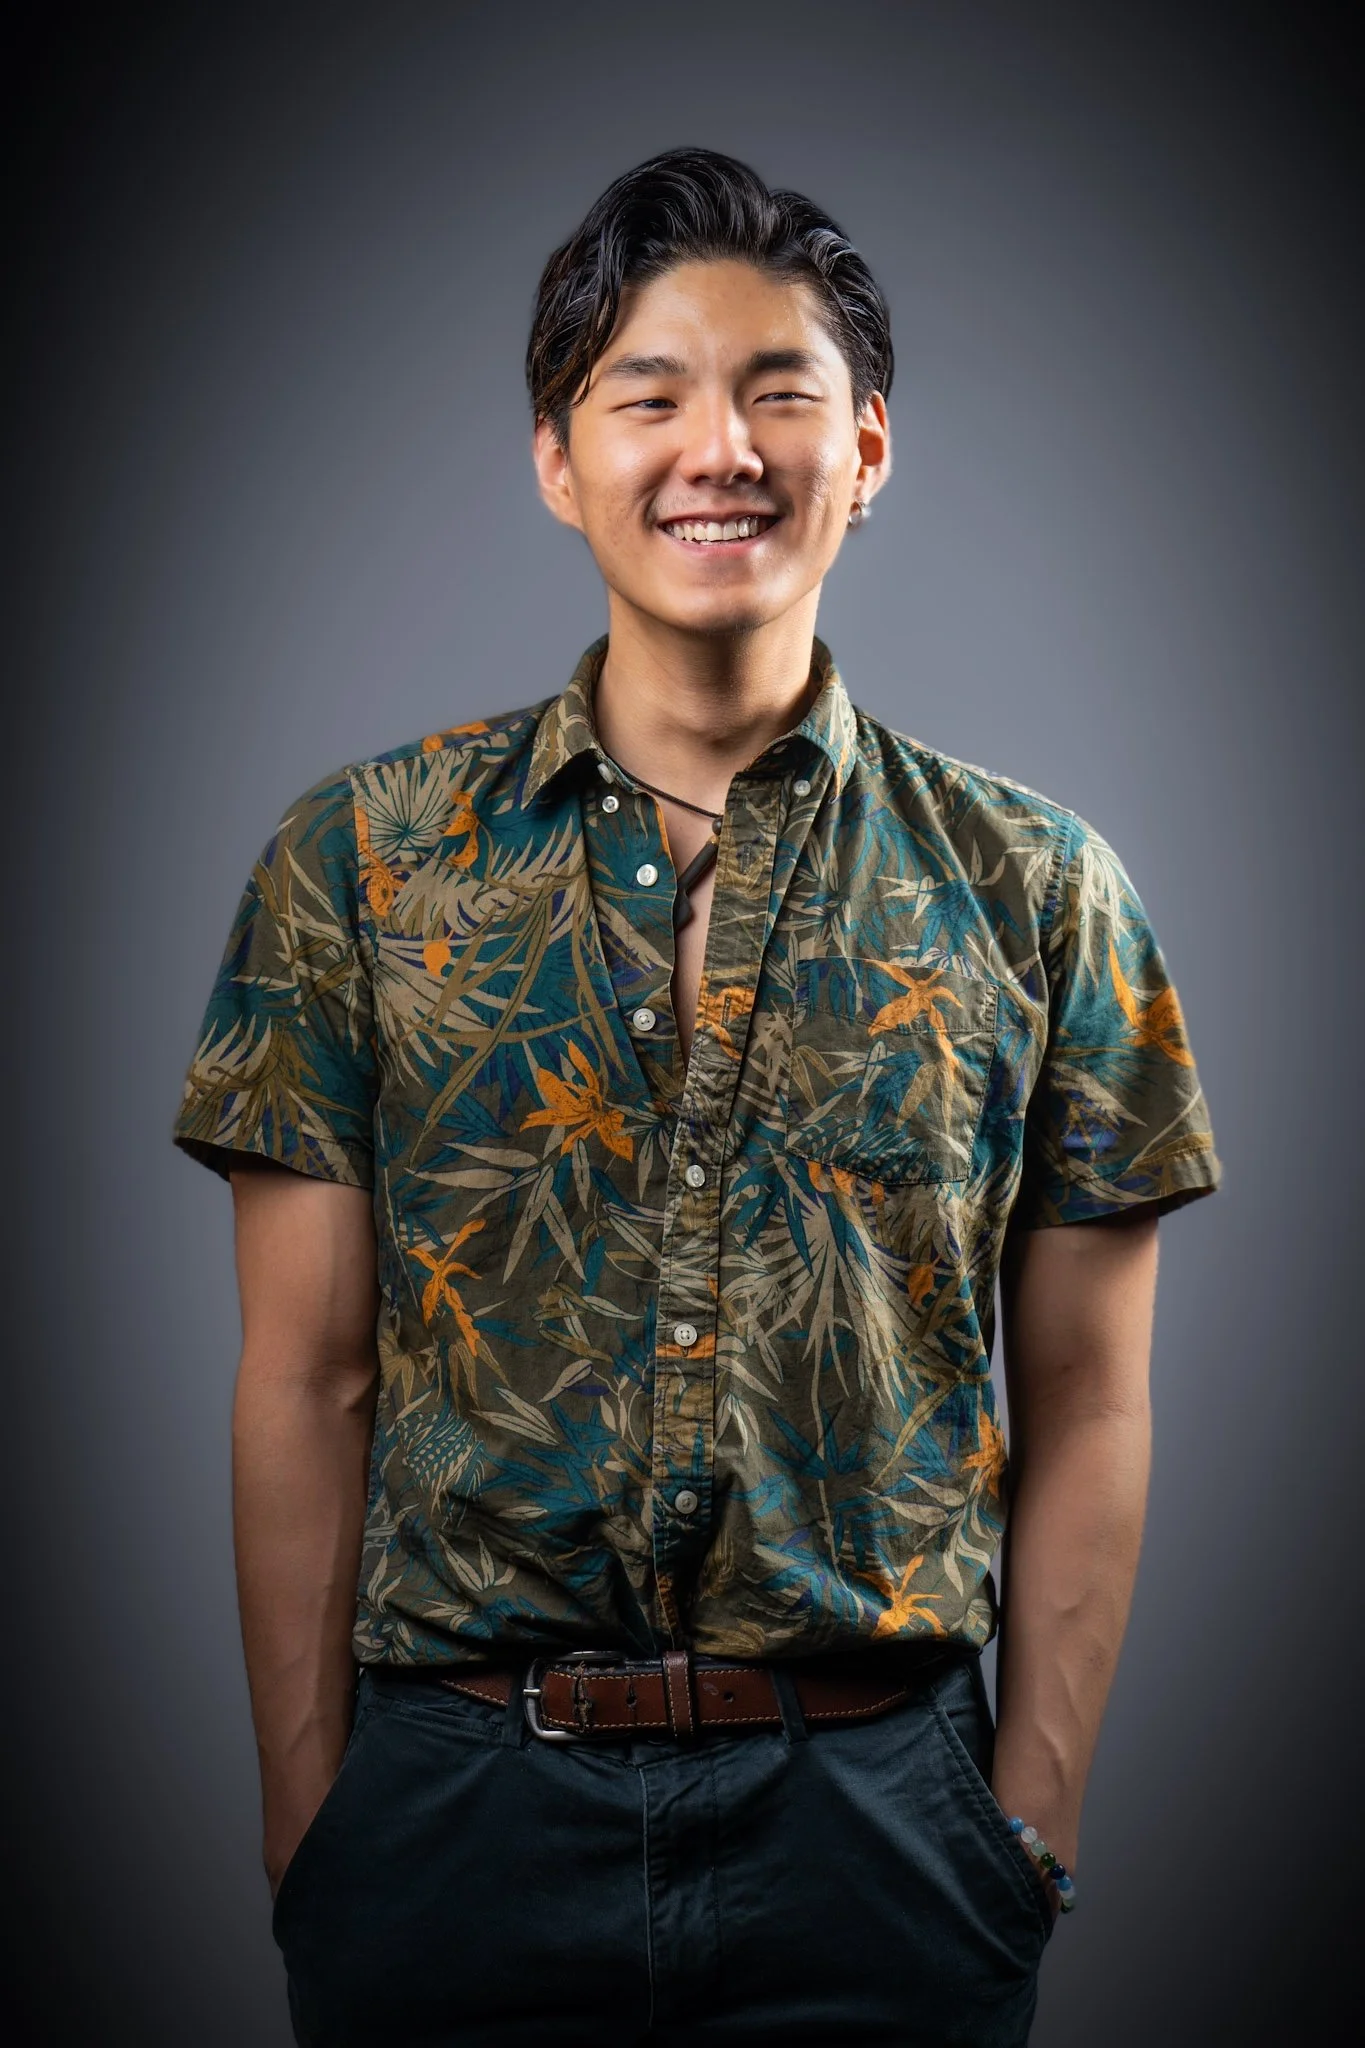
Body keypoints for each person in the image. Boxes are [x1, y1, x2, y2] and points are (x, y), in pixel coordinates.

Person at [172, 146, 1222, 2047]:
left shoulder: (1039, 889)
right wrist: (311, 1823)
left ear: (870, 447)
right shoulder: (362, 868)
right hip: (451, 1817)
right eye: (644, 395)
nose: (715, 448)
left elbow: (1087, 1393)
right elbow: (302, 1381)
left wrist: (1033, 1819)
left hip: (883, 1830)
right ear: (560, 461)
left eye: (778, 392)